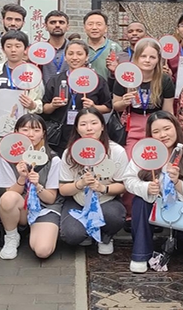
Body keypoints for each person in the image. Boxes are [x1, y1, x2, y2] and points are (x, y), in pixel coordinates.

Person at [122, 111, 183, 273]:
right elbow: (129, 179)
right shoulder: (145, 153)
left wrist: (178, 183)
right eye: (156, 131)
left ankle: (176, 244)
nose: (162, 135)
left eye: (167, 129)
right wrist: (146, 187)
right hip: (156, 201)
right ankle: (141, 254)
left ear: (176, 128)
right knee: (140, 201)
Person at [59, 108, 127, 255]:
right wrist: (80, 184)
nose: (89, 128)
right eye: (83, 124)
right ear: (77, 129)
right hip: (79, 201)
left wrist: (103, 188)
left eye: (94, 123)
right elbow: (63, 189)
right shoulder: (69, 153)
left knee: (114, 216)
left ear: (102, 126)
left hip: (106, 200)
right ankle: (87, 232)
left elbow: (122, 186)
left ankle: (105, 236)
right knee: (71, 234)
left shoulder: (117, 151)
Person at [0, 114, 63, 260]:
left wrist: (37, 185)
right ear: (16, 131)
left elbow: (51, 199)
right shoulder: (6, 158)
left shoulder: (53, 159)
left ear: (43, 133)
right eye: (25, 129)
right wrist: (21, 177)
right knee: (7, 198)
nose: (31, 134)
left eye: (36, 130)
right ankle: (11, 236)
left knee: (43, 251)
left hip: (44, 207)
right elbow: (8, 195)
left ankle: (36, 232)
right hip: (21, 208)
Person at [0, 30, 44, 159]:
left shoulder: (33, 74)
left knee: (22, 165)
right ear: (3, 49)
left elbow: (39, 104)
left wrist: (32, 105)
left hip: (24, 131)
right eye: (9, 46)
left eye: (18, 46)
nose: (13, 50)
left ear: (25, 49)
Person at [42, 39, 112, 155]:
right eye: (70, 54)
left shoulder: (97, 80)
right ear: (65, 57)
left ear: (86, 57)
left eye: (79, 54)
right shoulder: (55, 80)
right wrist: (53, 105)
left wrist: (94, 107)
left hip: (88, 133)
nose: (74, 58)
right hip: (61, 135)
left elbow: (108, 107)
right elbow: (44, 109)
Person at [112, 39, 175, 157]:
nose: (147, 60)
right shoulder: (125, 77)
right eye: (143, 56)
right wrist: (124, 102)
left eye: (152, 57)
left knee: (155, 158)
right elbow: (115, 106)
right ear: (136, 57)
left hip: (156, 123)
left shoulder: (164, 80)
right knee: (131, 158)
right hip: (132, 124)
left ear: (158, 59)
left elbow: (168, 111)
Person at [83, 10, 122, 80]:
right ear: (84, 28)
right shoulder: (79, 47)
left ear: (106, 28)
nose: (94, 28)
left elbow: (121, 74)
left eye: (99, 24)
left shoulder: (115, 47)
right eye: (90, 24)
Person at [41, 10, 70, 83]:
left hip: (69, 88)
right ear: (46, 26)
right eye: (53, 22)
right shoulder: (39, 49)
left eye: (61, 22)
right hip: (44, 89)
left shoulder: (74, 49)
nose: (57, 25)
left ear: (67, 27)